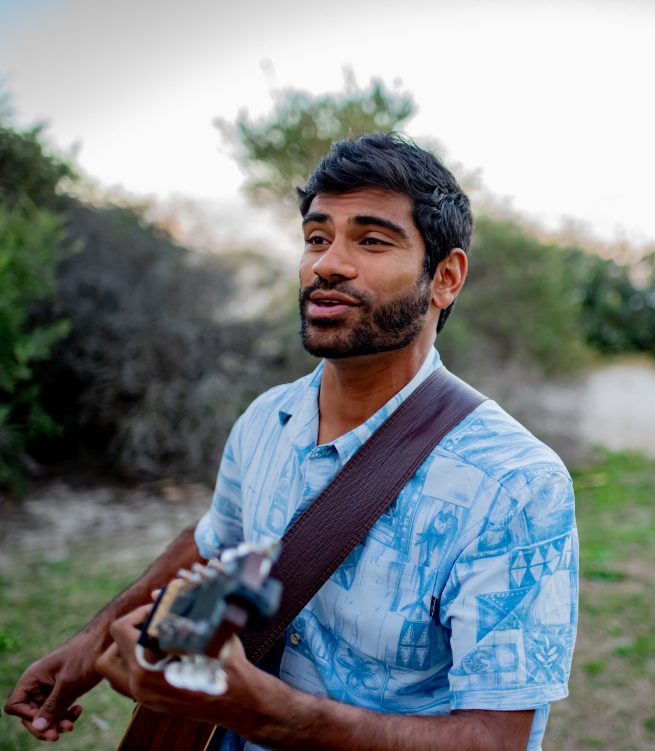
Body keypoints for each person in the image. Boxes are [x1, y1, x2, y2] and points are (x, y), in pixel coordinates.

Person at [4, 133, 579, 750]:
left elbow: (496, 741)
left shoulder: (515, 483)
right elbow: (215, 547)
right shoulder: (265, 420)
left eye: (372, 239)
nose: (328, 263)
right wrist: (89, 645)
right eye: (316, 237)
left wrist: (269, 713)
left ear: (445, 278)